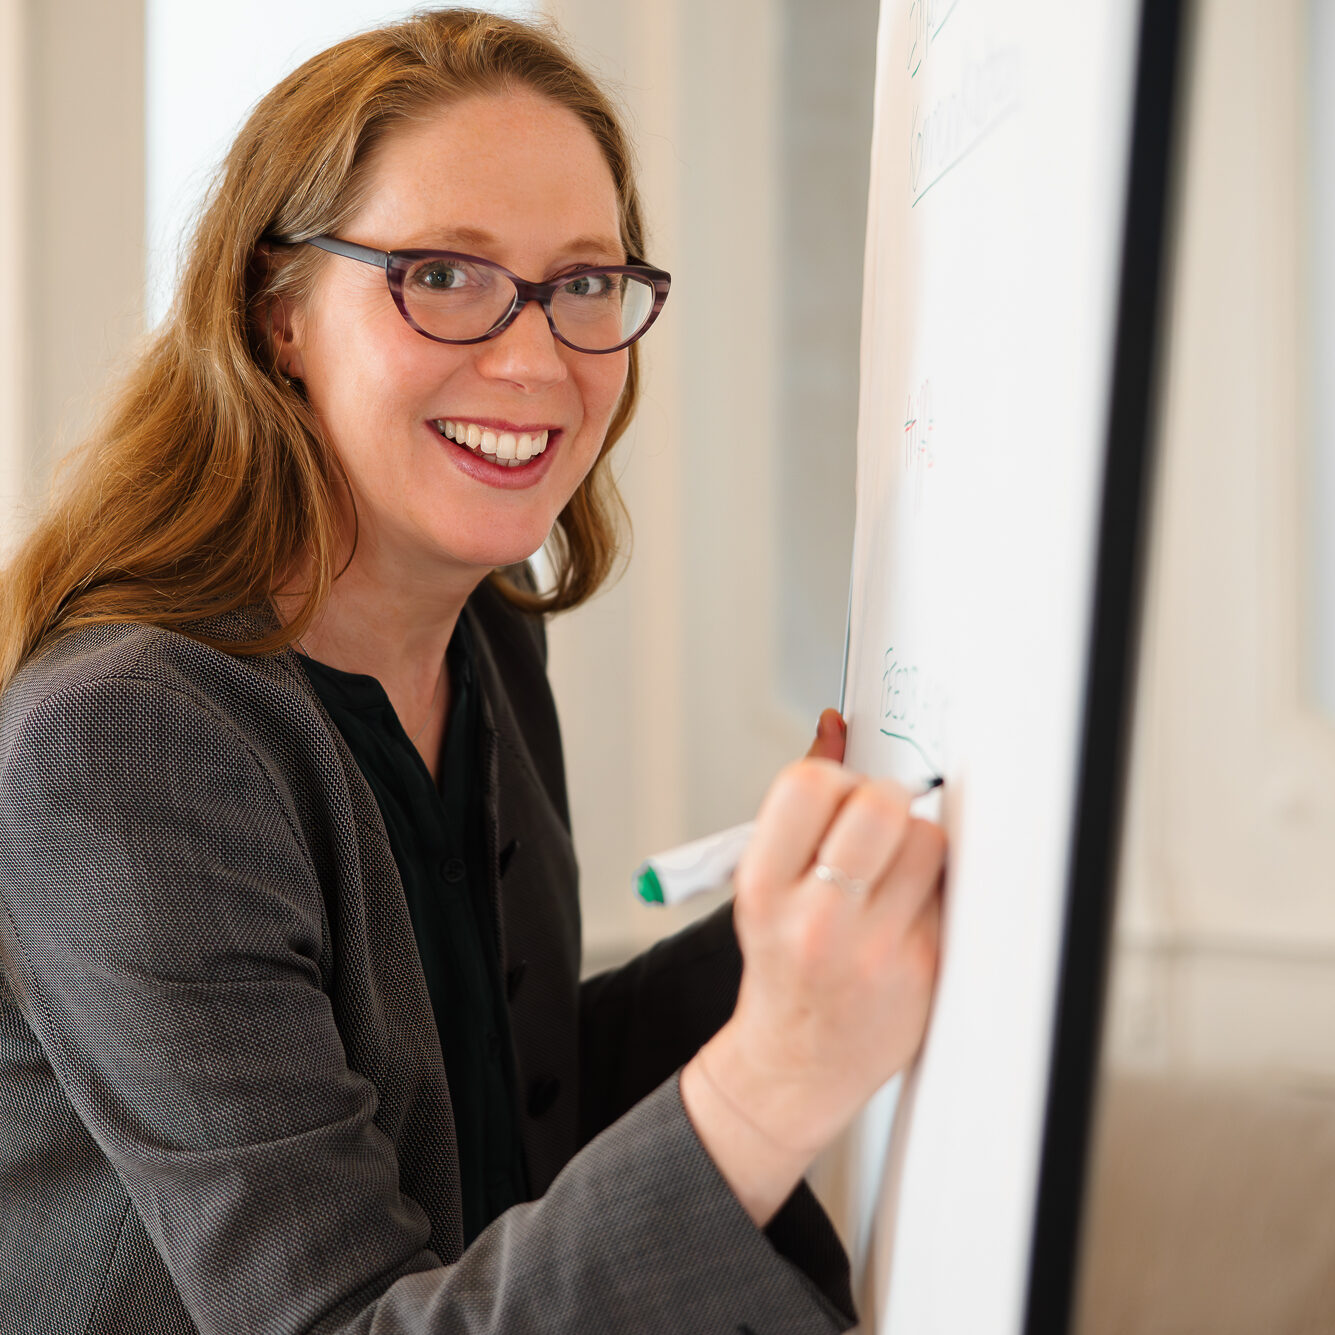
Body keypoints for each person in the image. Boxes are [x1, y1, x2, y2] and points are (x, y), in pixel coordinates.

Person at [0, 10, 945, 1333]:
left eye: (584, 284)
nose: (534, 356)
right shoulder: (126, 747)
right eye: (442, 275)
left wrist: (802, 916)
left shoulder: (485, 632)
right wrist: (774, 1077)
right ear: (281, 314)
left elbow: (507, 1095)